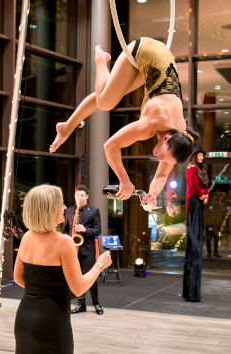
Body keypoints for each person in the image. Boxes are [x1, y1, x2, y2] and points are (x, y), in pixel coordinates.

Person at [50, 37, 199, 206]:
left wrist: (152, 194)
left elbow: (162, 175)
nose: (159, 159)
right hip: (143, 50)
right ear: (166, 138)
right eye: (162, 156)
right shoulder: (150, 124)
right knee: (105, 102)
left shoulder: (179, 134)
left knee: (108, 94)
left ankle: (65, 128)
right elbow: (110, 146)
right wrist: (124, 180)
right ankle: (100, 62)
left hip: (160, 60)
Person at [14, 184, 111, 354]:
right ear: (49, 209)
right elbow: (79, 288)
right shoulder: (63, 241)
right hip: (52, 321)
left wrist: (41, 291)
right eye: (61, 204)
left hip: (24, 318)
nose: (65, 207)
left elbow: (18, 278)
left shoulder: (27, 237)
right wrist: (100, 264)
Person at [62, 185, 103, 315]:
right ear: (75, 196)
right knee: (76, 278)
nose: (79, 198)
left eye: (82, 195)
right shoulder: (68, 211)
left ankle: (96, 303)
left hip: (87, 250)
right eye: (77, 195)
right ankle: (81, 305)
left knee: (91, 277)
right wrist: (68, 238)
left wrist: (85, 230)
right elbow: (64, 230)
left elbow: (98, 230)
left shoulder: (94, 211)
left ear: (87, 196)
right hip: (73, 251)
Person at [183, 147, 209, 302]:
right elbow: (194, 186)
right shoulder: (191, 168)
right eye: (199, 155)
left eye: (202, 155)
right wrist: (202, 196)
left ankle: (192, 291)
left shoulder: (201, 169)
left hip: (199, 201)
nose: (201, 157)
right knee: (194, 242)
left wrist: (206, 195)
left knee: (197, 240)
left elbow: (205, 184)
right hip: (194, 202)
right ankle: (191, 291)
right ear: (194, 156)